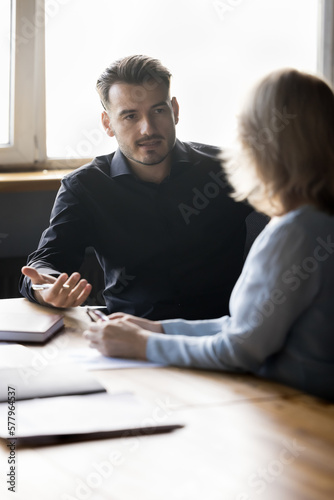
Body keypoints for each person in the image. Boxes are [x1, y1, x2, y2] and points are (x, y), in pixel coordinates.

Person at [84, 68, 334, 401]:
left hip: (298, 411)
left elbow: (239, 350)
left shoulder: (294, 233)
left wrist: (143, 345)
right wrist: (159, 329)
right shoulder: (313, 219)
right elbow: (242, 328)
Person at [20, 55, 266, 320]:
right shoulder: (85, 187)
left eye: (158, 111)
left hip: (223, 336)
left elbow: (296, 218)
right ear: (107, 123)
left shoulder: (229, 169)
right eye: (130, 116)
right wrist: (45, 287)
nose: (147, 129)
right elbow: (47, 261)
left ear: (175, 110)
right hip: (133, 337)